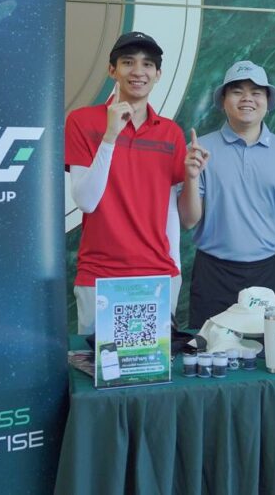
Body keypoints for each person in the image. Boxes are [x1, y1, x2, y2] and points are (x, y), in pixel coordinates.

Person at [65, 31, 210, 334]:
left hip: (157, 277)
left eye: (147, 64)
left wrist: (192, 177)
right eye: (128, 62)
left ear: (158, 75)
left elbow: (183, 218)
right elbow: (86, 201)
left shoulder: (170, 133)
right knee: (101, 364)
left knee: (152, 364)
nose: (138, 71)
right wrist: (110, 136)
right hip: (99, 276)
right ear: (112, 70)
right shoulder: (82, 121)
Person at [180, 60, 275, 328]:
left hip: (269, 272)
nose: (247, 98)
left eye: (256, 92)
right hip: (213, 274)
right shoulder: (200, 149)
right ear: (223, 101)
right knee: (210, 349)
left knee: (268, 349)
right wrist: (191, 176)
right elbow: (188, 221)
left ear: (268, 102)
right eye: (237, 91)